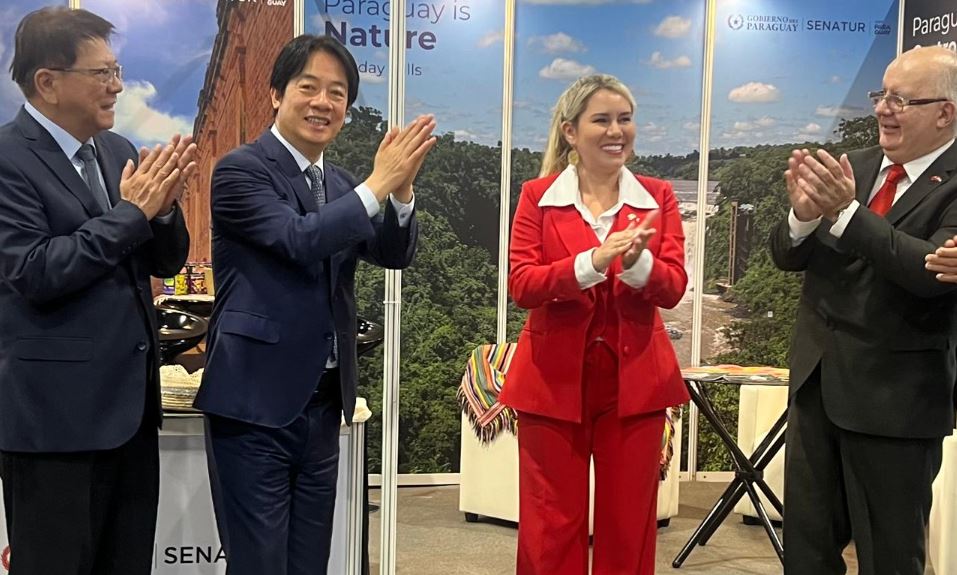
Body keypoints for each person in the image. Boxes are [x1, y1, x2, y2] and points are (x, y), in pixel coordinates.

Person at [193, 34, 435, 574]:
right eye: (309, 87)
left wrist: (401, 192)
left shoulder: (342, 183)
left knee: (309, 563)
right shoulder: (241, 170)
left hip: (324, 406)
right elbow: (297, 239)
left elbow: (393, 253)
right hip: (255, 405)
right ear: (277, 93)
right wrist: (377, 185)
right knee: (259, 563)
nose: (323, 103)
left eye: (338, 92)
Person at [0, 7, 196, 574]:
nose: (116, 86)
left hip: (131, 414)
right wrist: (134, 212)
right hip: (54, 423)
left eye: (118, 70)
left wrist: (161, 211)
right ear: (48, 82)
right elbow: (35, 271)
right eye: (102, 73)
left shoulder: (118, 152)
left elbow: (167, 259)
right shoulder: (9, 159)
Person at [770, 45, 957, 575]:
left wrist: (846, 213)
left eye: (901, 99)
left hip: (895, 404)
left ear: (945, 113)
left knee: (891, 557)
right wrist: (804, 217)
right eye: (881, 95)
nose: (882, 109)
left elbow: (929, 274)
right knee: (805, 551)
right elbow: (787, 255)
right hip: (816, 388)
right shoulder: (855, 166)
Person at [499, 74, 688, 575]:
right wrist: (594, 262)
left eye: (625, 119)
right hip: (552, 383)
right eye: (602, 120)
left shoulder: (658, 196)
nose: (617, 131)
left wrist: (637, 264)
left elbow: (672, 288)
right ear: (570, 131)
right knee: (549, 527)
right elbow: (523, 284)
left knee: (629, 528)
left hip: (634, 386)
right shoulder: (537, 196)